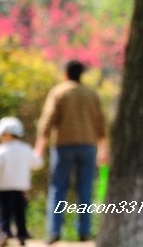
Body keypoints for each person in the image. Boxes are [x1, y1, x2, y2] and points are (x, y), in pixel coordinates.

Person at [34, 60, 107, 244]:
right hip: (88, 146)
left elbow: (47, 119)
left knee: (58, 187)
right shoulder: (91, 94)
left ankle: (54, 231)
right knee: (85, 189)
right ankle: (84, 232)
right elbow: (101, 123)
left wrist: (40, 146)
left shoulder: (59, 91)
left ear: (66, 73)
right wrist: (103, 149)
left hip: (63, 144)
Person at [0, 117, 43, 246]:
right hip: (21, 188)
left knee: (5, 213)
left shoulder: (2, 150)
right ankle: (22, 235)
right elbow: (37, 163)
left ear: (6, 134)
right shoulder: (26, 149)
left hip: (5, 187)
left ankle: (4, 232)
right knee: (20, 213)